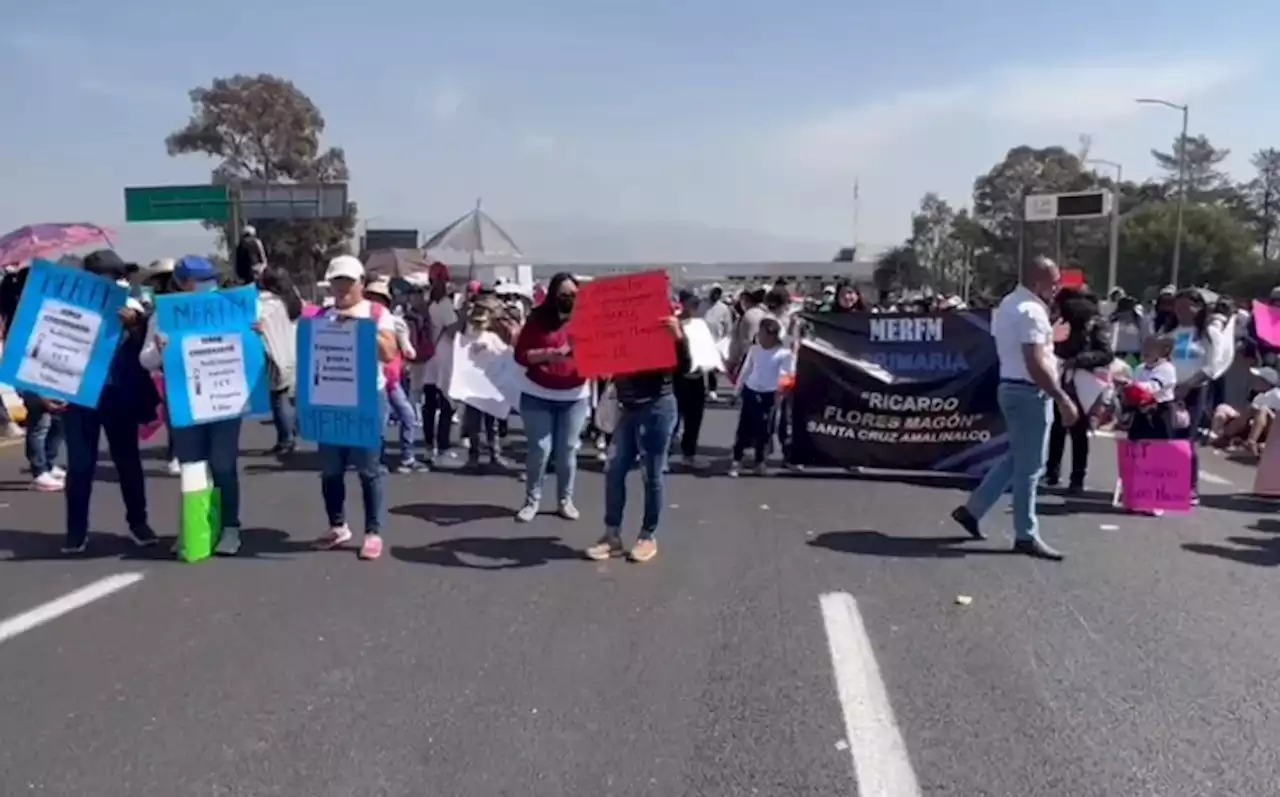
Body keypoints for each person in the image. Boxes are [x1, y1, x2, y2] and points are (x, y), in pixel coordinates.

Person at [950, 256, 1074, 561]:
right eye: (1053, 282)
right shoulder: (1031, 311)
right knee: (1031, 468)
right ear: (1036, 282)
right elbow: (1034, 362)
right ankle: (1025, 534)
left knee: (1018, 458)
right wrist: (1061, 397)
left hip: (1012, 387)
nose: (1057, 287)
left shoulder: (1008, 304)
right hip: (1030, 393)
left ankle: (973, 510)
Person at [140, 256, 248, 555]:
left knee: (224, 465)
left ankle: (230, 527)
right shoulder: (163, 316)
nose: (206, 285)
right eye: (199, 280)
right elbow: (145, 360)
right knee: (193, 467)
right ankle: (197, 528)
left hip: (225, 402)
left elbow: (249, 349)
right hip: (186, 402)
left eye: (209, 279)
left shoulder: (228, 309)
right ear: (181, 283)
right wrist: (159, 350)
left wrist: (256, 332)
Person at [62, 249, 160, 554]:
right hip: (80, 396)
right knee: (80, 465)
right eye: (108, 277)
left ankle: (139, 523)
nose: (115, 283)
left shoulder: (134, 307)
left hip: (119, 396)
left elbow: (149, 350)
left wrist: (134, 326)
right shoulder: (67, 307)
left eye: (118, 277)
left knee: (128, 462)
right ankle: (76, 531)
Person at [310, 255, 399, 560]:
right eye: (337, 281)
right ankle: (338, 526)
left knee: (368, 470)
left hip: (366, 402)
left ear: (361, 282)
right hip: (331, 400)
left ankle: (373, 532)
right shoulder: (321, 316)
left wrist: (363, 329)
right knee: (331, 470)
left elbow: (389, 353)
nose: (343, 288)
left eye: (348, 281)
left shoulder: (377, 313)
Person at [587, 315, 692, 563]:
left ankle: (647, 536)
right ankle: (612, 534)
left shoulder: (664, 329)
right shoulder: (620, 332)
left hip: (657, 407)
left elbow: (684, 368)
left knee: (652, 474)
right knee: (614, 469)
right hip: (627, 408)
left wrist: (679, 338)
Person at [512, 272, 590, 522]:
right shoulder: (537, 319)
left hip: (574, 395)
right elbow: (521, 355)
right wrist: (549, 354)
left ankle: (565, 500)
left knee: (567, 450)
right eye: (564, 295)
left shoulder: (588, 320)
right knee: (540, 449)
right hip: (538, 393)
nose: (569, 300)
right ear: (553, 296)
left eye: (574, 295)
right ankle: (531, 500)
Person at [1044, 288, 1113, 493]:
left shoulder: (1095, 324)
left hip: (1083, 383)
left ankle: (1077, 478)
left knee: (1078, 432)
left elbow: (1106, 354)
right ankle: (1052, 473)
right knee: (1056, 428)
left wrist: (1078, 361)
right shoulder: (1060, 322)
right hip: (1061, 379)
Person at [1159, 287, 1217, 503]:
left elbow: (1211, 367)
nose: (1182, 311)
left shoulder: (1206, 335)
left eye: (1187, 306)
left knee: (1187, 440)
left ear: (1199, 308)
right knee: (1167, 438)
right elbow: (1158, 361)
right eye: (1178, 306)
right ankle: (1168, 482)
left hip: (1194, 392)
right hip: (1169, 391)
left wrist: (1188, 385)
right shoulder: (1167, 334)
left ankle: (1190, 487)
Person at [365, 277, 424, 473]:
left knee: (406, 416)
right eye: (371, 296)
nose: (375, 301)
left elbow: (407, 348)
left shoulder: (391, 321)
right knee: (380, 421)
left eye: (379, 297)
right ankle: (377, 459)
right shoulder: (359, 319)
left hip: (390, 379)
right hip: (371, 379)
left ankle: (406, 457)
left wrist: (406, 348)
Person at [729, 316, 793, 477]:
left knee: (764, 428)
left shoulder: (784, 354)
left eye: (765, 335)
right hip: (751, 390)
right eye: (760, 334)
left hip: (770, 394)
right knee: (744, 427)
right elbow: (746, 371)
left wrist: (780, 393)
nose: (761, 338)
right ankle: (737, 459)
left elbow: (786, 374)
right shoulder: (754, 350)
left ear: (773, 336)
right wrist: (736, 392)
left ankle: (760, 461)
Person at [413, 263, 462, 465]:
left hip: (429, 357)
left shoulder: (428, 304)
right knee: (446, 403)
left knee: (429, 403)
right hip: (443, 355)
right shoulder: (445, 305)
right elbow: (452, 331)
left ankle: (428, 445)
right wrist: (462, 317)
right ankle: (442, 447)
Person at [256, 266, 302, 456]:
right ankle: (290, 435)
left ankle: (286, 440)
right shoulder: (292, 300)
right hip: (291, 352)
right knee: (287, 397)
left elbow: (257, 323)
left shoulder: (265, 303)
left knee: (278, 399)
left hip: (275, 354)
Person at [672, 290, 708, 468]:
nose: (696, 306)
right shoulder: (674, 322)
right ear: (683, 303)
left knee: (694, 418)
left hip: (698, 376)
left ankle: (689, 454)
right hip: (678, 377)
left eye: (697, 303)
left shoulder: (700, 324)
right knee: (673, 418)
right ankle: (663, 455)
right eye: (693, 303)